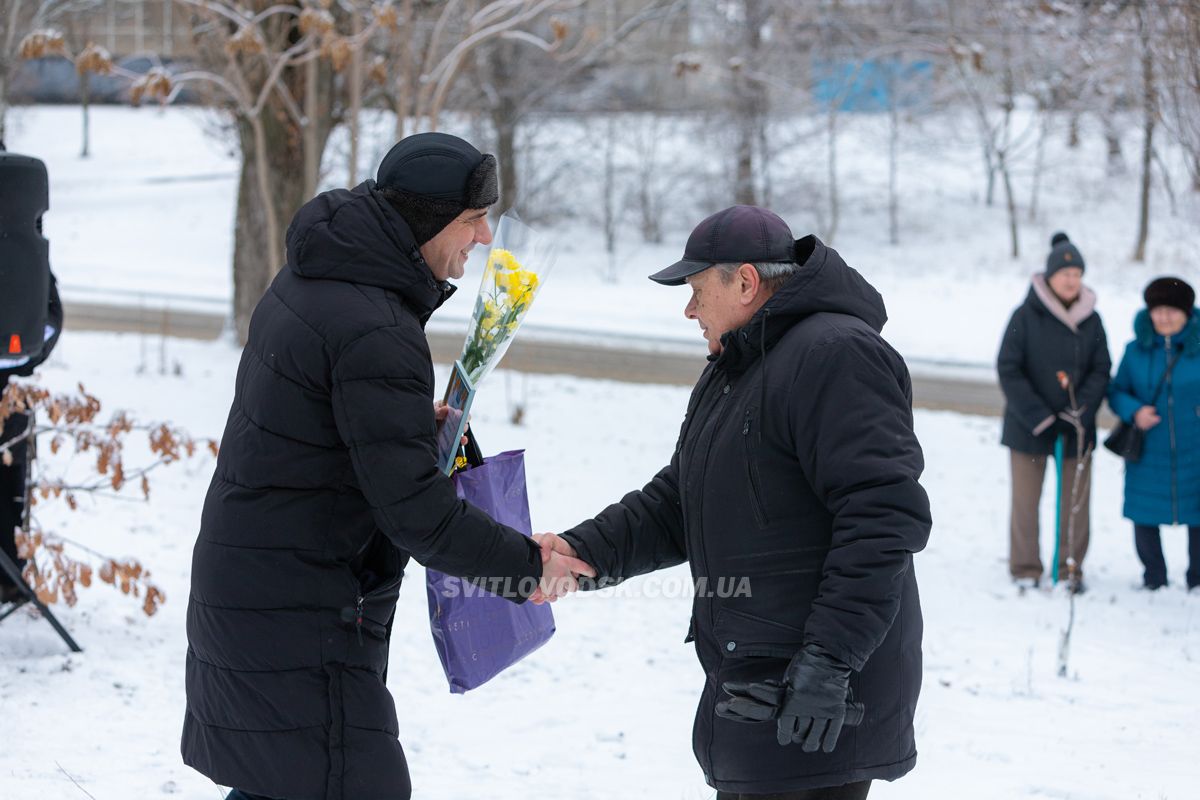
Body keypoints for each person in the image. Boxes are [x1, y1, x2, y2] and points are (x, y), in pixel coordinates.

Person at [181, 132, 593, 800]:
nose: (485, 235)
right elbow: (417, 515)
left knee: (288, 782)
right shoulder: (375, 326)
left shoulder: (321, 280)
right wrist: (526, 566)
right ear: (426, 224)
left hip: (265, 588)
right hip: (302, 607)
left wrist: (400, 428)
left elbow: (319, 428)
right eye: (470, 220)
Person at [534, 205, 932, 799]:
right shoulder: (740, 364)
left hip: (817, 697)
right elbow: (681, 499)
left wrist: (828, 661)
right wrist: (582, 552)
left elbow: (883, 518)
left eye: (697, 291)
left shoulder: (835, 355)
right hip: (758, 684)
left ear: (745, 282)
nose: (689, 309)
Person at [997, 232, 1110, 593]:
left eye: (1077, 274)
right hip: (1028, 427)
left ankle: (1070, 569)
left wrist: (1077, 412)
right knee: (1026, 504)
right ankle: (1026, 568)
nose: (1071, 280)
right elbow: (1009, 368)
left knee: (1075, 504)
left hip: (1077, 429)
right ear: (1049, 276)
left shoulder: (1091, 319)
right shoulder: (1025, 315)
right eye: (1065, 273)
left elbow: (1101, 369)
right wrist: (1041, 416)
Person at [1107, 277, 1200, 592]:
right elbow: (1117, 390)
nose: (1164, 317)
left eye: (1172, 310)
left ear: (1187, 313)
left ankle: (1197, 578)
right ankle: (1154, 577)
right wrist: (1134, 411)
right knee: (1144, 513)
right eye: (1158, 310)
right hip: (1148, 450)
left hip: (1195, 448)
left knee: (1198, 514)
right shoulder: (1135, 351)